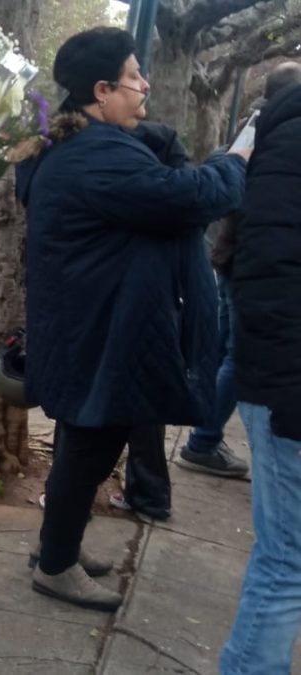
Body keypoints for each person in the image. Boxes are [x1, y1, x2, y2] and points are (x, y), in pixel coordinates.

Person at [15, 27, 250, 612]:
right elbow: (186, 196)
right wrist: (235, 160)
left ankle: (56, 546)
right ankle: (55, 565)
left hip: (90, 325)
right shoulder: (97, 154)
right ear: (101, 90)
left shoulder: (80, 146)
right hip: (97, 330)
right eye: (134, 77)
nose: (145, 86)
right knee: (92, 446)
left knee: (83, 442)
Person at [179, 63, 301, 480]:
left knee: (227, 349)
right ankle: (203, 439)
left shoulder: (258, 124)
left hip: (236, 257)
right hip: (245, 262)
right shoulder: (274, 130)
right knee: (235, 353)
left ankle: (203, 435)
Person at [220, 72, 301, 675]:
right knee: (287, 560)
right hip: (287, 382)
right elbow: (268, 267)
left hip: (280, 373)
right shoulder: (287, 135)